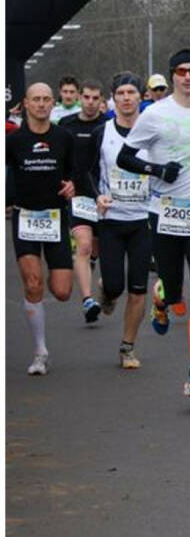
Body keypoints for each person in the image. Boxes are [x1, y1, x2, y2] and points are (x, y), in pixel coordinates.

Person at [118, 48, 190, 398]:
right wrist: (157, 170)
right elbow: (126, 157)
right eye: (180, 71)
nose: (187, 76)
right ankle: (163, 296)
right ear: (172, 76)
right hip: (165, 210)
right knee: (173, 286)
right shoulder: (155, 114)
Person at [7, 82, 76, 375]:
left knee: (61, 291)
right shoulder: (13, 140)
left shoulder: (64, 137)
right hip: (25, 218)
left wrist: (74, 185)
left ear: (53, 103)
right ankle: (40, 351)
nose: (42, 104)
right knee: (33, 283)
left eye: (47, 99)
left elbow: (75, 173)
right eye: (36, 99)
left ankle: (44, 293)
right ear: (25, 104)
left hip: (55, 218)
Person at [89, 73, 152, 368]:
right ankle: (108, 292)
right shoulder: (102, 133)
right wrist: (95, 196)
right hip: (111, 219)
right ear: (113, 99)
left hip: (143, 220)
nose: (126, 98)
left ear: (141, 97)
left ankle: (128, 347)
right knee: (115, 285)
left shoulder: (153, 132)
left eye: (132, 93)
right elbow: (86, 171)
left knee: (139, 288)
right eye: (121, 93)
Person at [59, 80, 107, 322]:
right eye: (86, 97)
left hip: (102, 196)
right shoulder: (67, 125)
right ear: (80, 98)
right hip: (77, 196)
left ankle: (93, 264)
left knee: (96, 249)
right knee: (84, 246)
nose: (90, 102)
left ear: (101, 100)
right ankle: (88, 300)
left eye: (95, 98)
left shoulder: (107, 125)